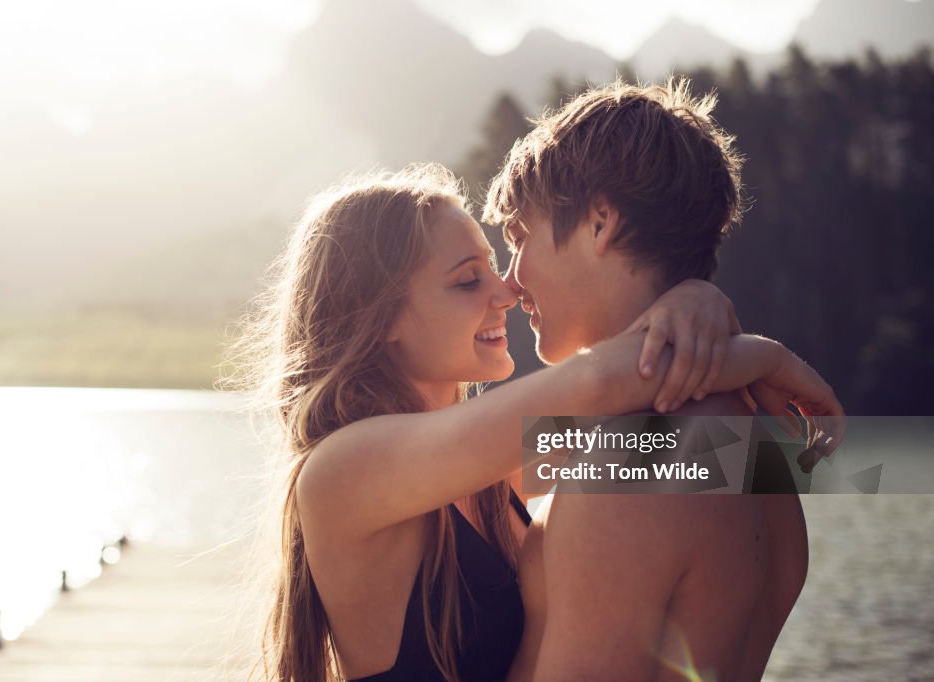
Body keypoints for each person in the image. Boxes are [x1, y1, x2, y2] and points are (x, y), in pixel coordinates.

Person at [227, 163, 841, 682]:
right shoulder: (343, 472)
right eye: (468, 280)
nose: (506, 291)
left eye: (494, 266)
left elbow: (693, 446)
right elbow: (598, 382)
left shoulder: (496, 469)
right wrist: (761, 352)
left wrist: (696, 303)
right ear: (378, 316)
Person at [482, 78, 843, 681]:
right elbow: (506, 463)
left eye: (520, 238)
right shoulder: (742, 444)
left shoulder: (631, 463)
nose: (512, 280)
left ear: (600, 222)